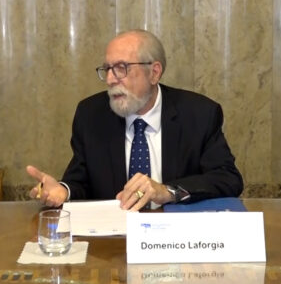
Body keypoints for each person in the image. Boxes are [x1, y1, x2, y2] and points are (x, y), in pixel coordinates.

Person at [26, 29, 243, 210]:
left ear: (154, 72)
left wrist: (167, 191)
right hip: (112, 240)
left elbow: (227, 179)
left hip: (176, 238)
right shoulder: (91, 115)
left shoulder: (199, 114)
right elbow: (81, 181)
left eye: (121, 68)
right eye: (107, 69)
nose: (110, 79)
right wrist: (64, 190)